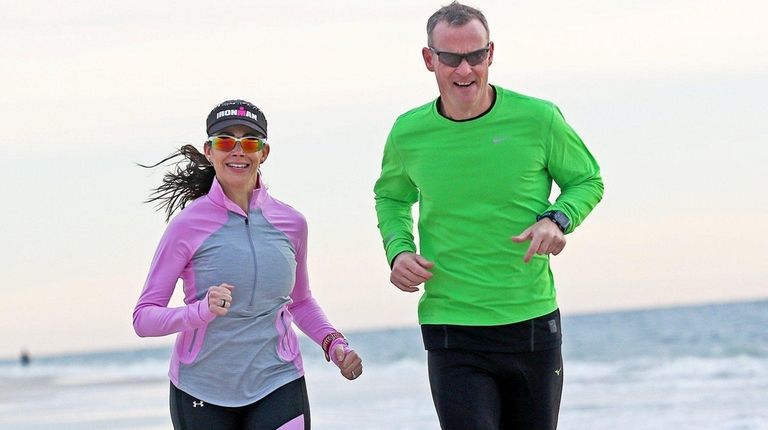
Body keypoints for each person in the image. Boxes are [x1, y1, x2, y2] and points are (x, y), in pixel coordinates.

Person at [373, 3, 604, 429]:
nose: (465, 70)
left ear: (491, 53)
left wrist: (558, 218)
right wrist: (398, 250)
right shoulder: (408, 133)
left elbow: (588, 180)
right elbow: (390, 198)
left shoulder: (538, 119)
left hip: (530, 321)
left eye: (476, 56)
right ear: (429, 59)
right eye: (450, 58)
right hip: (451, 325)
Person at [134, 99, 362, 430]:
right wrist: (199, 311)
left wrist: (332, 342)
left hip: (277, 379)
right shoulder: (186, 226)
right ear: (210, 151)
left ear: (263, 153)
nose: (238, 151)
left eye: (250, 142)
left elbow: (299, 302)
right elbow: (144, 318)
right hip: (201, 389)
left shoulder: (292, 223)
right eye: (226, 141)